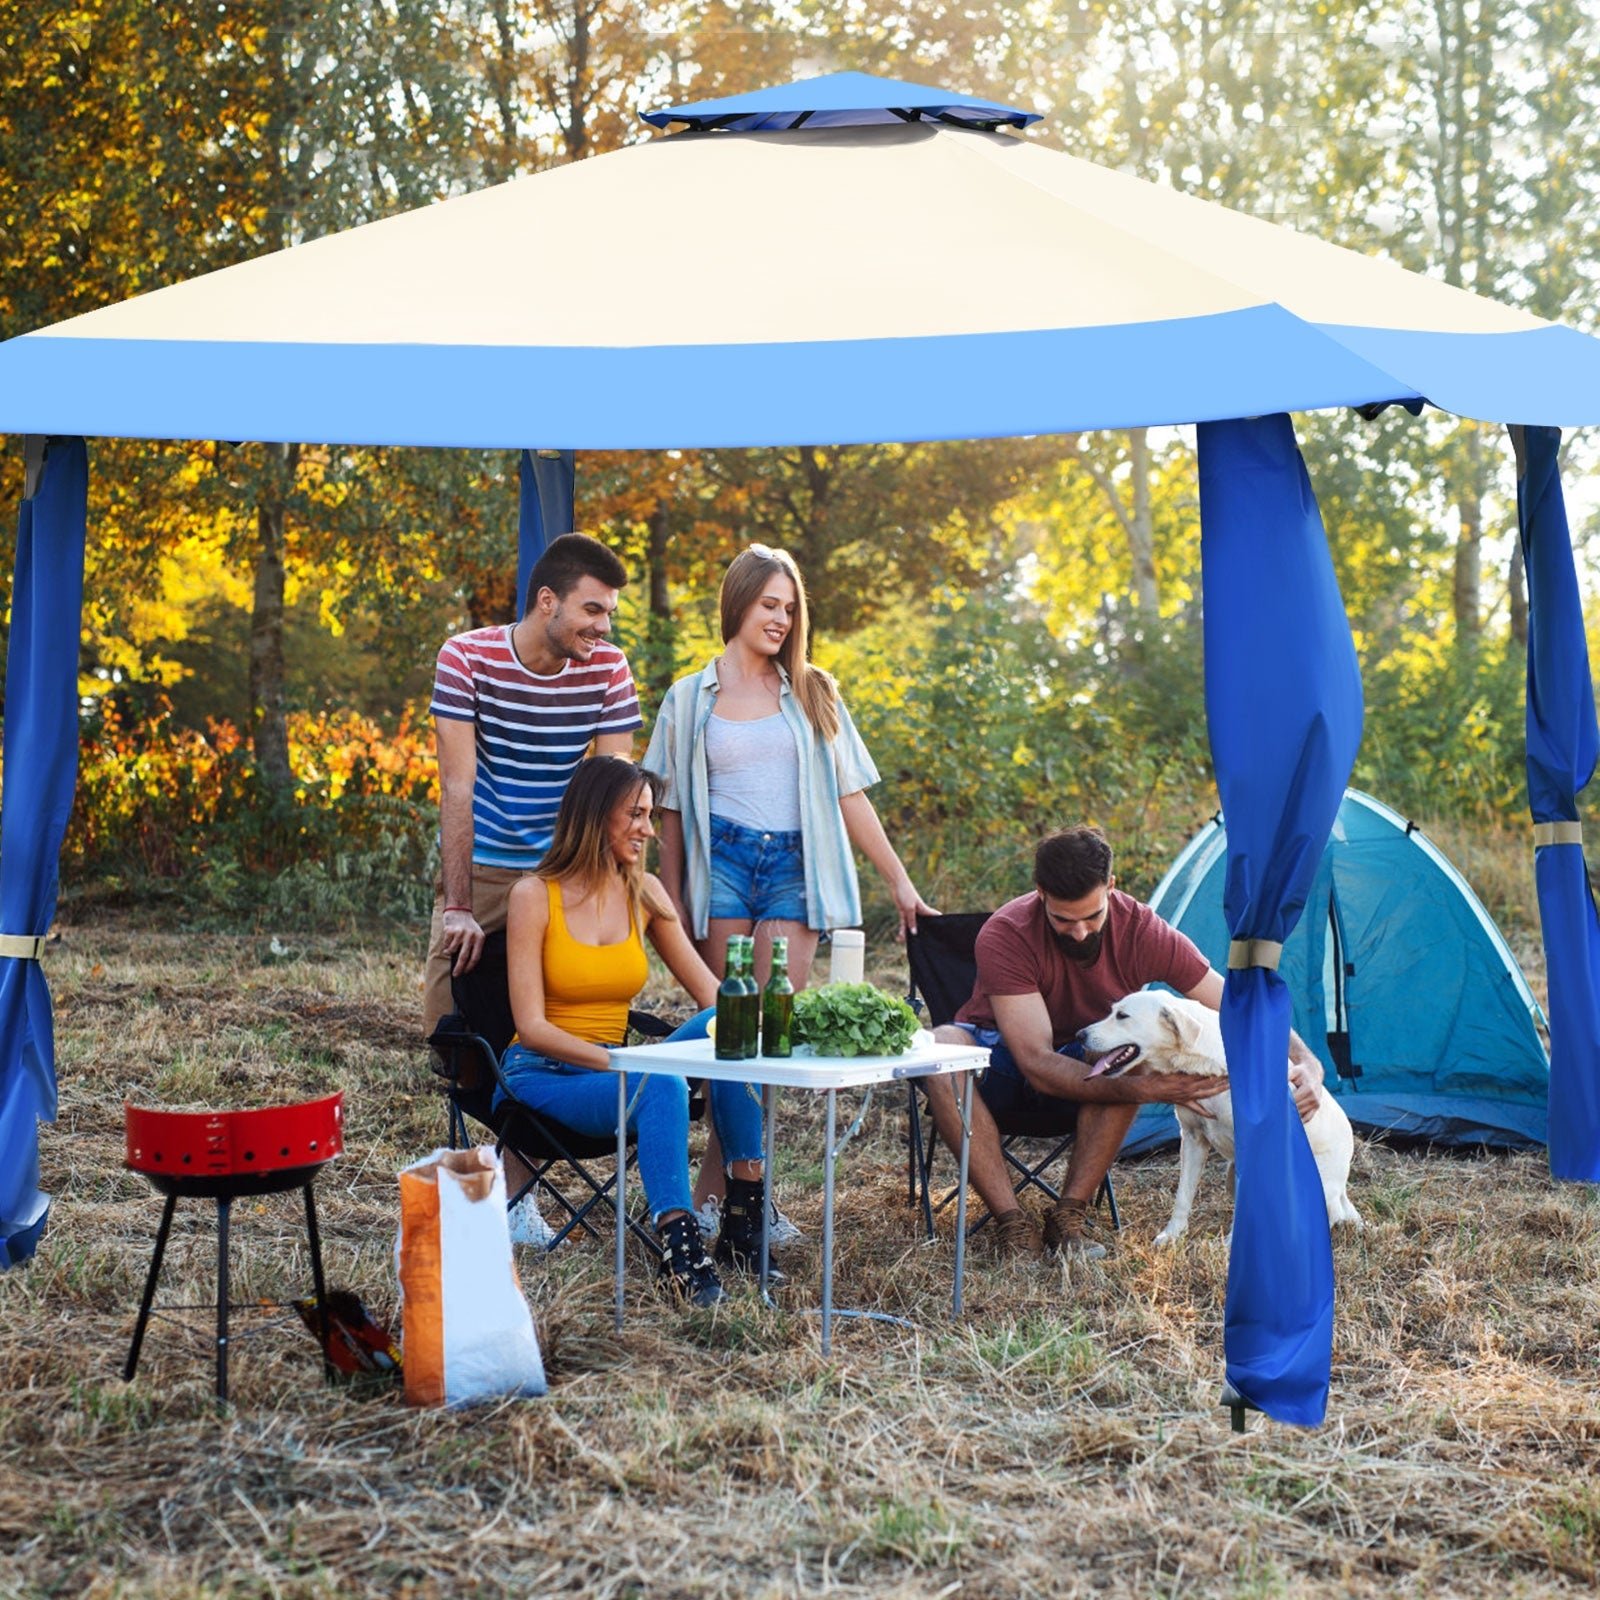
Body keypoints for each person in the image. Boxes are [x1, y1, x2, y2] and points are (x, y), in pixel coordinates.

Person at [642, 542, 937, 1232]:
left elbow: (850, 794)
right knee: (728, 1036)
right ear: (738, 602)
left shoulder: (812, 690)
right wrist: (672, 900)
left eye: (790, 608)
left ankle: (730, 1199)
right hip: (721, 866)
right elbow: (670, 812)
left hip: (795, 870)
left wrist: (899, 882)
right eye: (768, 604)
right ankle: (730, 1197)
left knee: (770, 1036)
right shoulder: (688, 697)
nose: (780, 618)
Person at [922, 824, 1325, 1260]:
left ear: (1111, 887)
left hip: (1088, 1063)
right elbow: (1036, 1061)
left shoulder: (1141, 930)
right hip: (1000, 1066)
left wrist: (1304, 1058)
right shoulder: (1007, 933)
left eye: (1092, 917)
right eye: (1063, 920)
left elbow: (1234, 1003)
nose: (1080, 932)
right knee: (941, 1047)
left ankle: (1069, 1217)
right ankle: (1012, 1223)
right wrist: (1148, 1089)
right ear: (1040, 894)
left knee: (1131, 1057)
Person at [426, 532, 641, 1246]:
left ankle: (513, 1196)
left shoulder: (608, 668)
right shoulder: (467, 657)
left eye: (609, 614)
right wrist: (459, 906)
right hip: (485, 867)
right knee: (456, 1036)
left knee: (555, 1029)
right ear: (547, 600)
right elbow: (458, 787)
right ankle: (487, 1179)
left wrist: (608, 891)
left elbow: (613, 794)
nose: (602, 627)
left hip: (562, 874)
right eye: (591, 610)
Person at [500, 755, 777, 1305]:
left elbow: (713, 995)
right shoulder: (533, 895)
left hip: (615, 1069)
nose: (649, 830)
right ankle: (680, 1254)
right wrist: (628, 1064)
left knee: (730, 1023)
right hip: (543, 1073)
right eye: (636, 815)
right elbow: (531, 1028)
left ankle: (743, 1219)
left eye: (649, 815)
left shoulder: (644, 891)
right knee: (661, 1082)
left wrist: (776, 1020)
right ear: (594, 814)